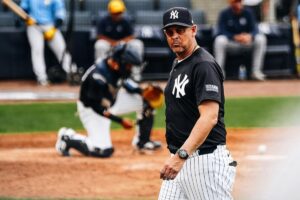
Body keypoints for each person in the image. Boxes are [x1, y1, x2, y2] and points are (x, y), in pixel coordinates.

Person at [158, 7, 236, 199]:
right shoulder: (178, 63)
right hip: (181, 159)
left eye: (180, 30)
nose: (175, 36)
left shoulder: (203, 65)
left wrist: (181, 156)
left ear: (193, 30)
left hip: (203, 162)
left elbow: (209, 117)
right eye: (170, 32)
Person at [55, 43, 162, 158]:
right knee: (103, 151)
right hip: (92, 110)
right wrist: (120, 121)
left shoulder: (115, 66)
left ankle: (143, 142)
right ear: (119, 62)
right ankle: (67, 137)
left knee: (147, 101)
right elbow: (98, 108)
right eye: (129, 65)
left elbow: (125, 82)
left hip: (112, 101)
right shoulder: (97, 77)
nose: (131, 68)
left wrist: (141, 91)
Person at [20, 0, 73, 86]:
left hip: (50, 25)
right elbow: (23, 9)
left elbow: (60, 11)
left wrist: (54, 27)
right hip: (33, 25)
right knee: (37, 50)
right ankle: (42, 78)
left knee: (62, 49)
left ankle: (71, 73)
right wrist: (26, 18)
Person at [214, 0, 267, 81]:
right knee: (219, 40)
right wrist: (235, 37)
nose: (238, 4)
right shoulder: (224, 13)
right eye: (236, 2)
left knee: (261, 38)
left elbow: (255, 29)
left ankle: (256, 71)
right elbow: (221, 31)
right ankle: (219, 73)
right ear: (231, 3)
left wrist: (250, 36)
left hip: (247, 43)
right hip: (232, 44)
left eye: (239, 1)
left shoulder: (248, 12)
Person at [94, 0, 144, 82]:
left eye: (119, 12)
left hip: (122, 44)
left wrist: (120, 43)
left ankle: (135, 75)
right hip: (109, 44)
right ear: (110, 12)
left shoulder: (126, 20)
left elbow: (131, 36)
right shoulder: (104, 20)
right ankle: (100, 73)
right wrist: (113, 43)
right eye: (115, 13)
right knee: (99, 45)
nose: (118, 15)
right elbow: (100, 36)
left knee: (138, 44)